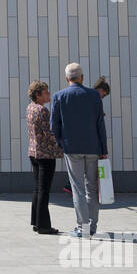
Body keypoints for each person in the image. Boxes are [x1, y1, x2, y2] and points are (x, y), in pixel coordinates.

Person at [50, 62, 108, 238]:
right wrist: (103, 149)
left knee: (78, 188)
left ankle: (82, 227)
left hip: (72, 147)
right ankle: (92, 226)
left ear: (67, 78)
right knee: (92, 188)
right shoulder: (94, 96)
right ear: (82, 78)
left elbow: (55, 125)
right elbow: (100, 125)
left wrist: (61, 142)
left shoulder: (59, 96)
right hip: (92, 147)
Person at [26, 80, 61, 235]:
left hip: (33, 152)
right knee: (44, 190)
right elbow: (50, 133)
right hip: (45, 154)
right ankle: (44, 226)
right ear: (38, 95)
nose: (49, 94)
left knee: (37, 189)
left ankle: (36, 221)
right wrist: (63, 144)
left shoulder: (30, 108)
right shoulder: (43, 111)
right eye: (46, 92)